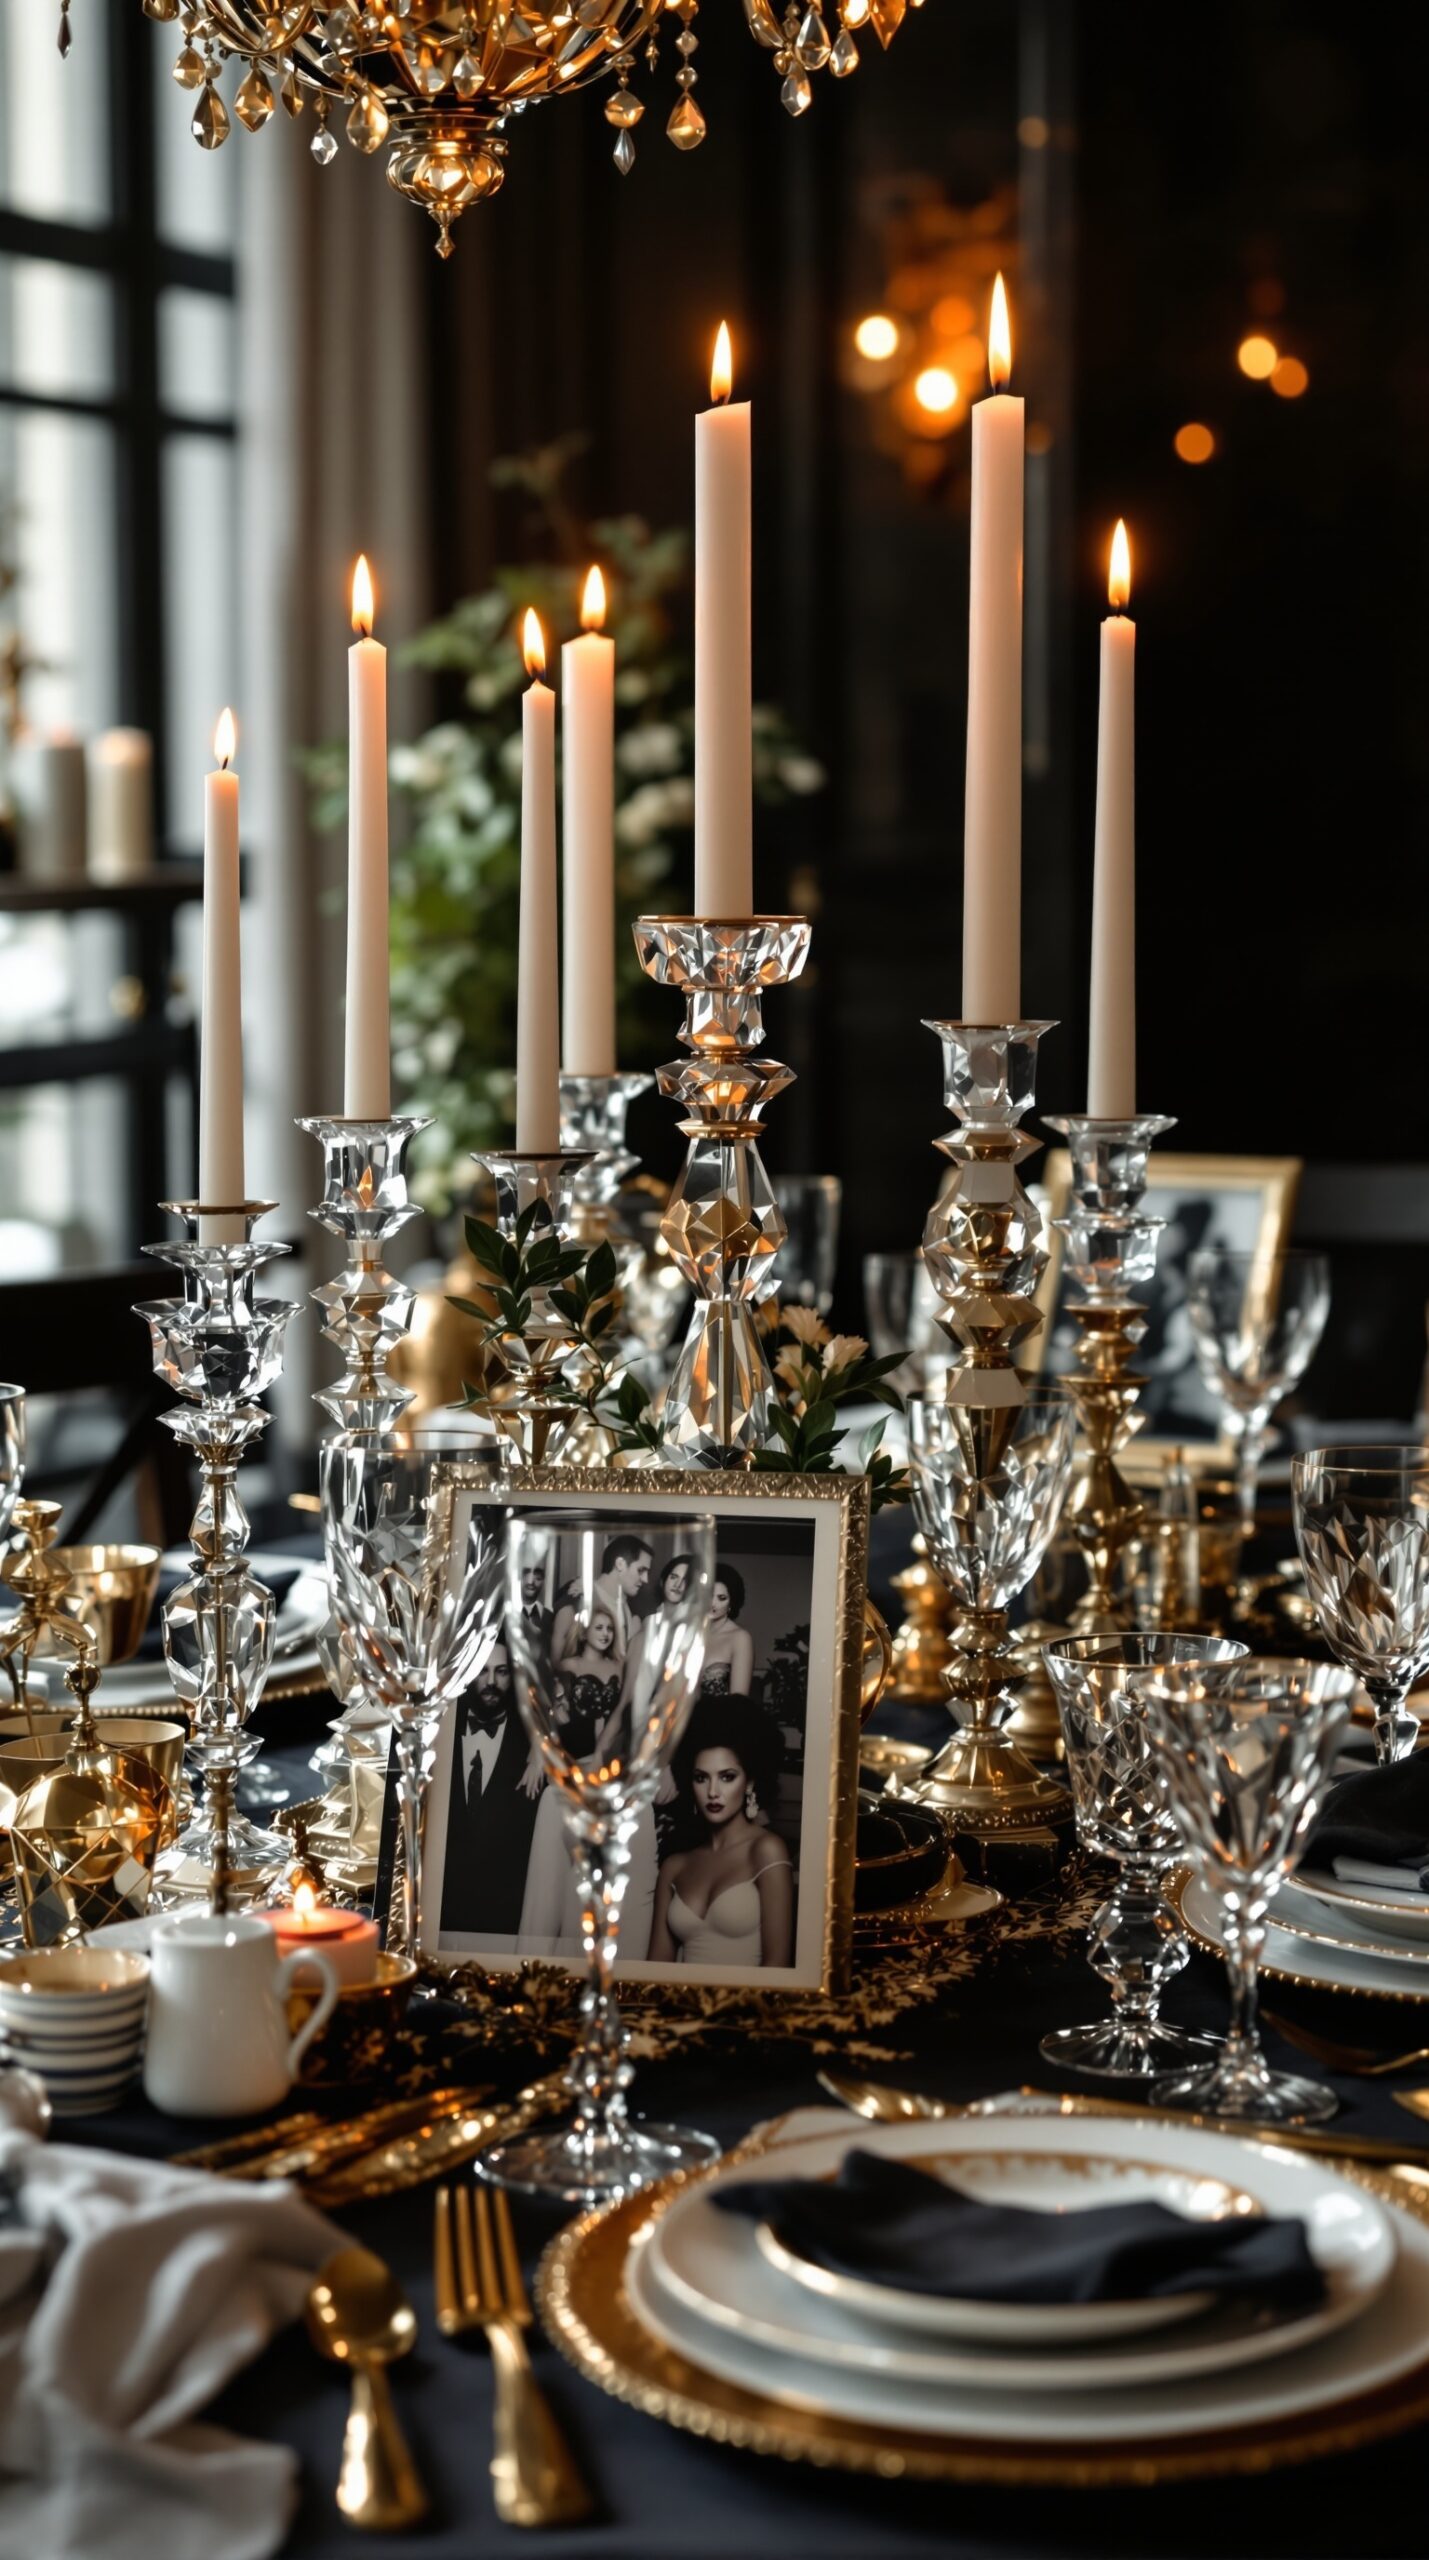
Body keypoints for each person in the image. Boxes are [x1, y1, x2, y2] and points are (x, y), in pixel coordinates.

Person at [516, 1623, 658, 1960]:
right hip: (571, 1775)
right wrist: (538, 1753)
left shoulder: (623, 1674)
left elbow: (625, 1721)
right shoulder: (566, 1670)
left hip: (614, 1778)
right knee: (550, 1892)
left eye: (611, 1627)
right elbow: (545, 1716)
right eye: (598, 1627)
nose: (606, 1633)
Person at [649, 1695, 793, 1970]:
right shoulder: (675, 1866)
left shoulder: (766, 1851)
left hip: (744, 2009)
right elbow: (654, 1970)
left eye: (727, 1777)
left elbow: (777, 1964)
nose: (713, 1792)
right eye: (701, 1778)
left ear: (749, 1782)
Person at [437, 1634, 541, 1941]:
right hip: (440, 1920)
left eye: (502, 1671)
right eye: (482, 1670)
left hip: (503, 1926)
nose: (491, 1681)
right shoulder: (437, 1732)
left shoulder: (531, 1747)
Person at [550, 1533, 652, 1677]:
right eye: (641, 1570)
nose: (645, 1579)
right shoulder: (577, 1597)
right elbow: (554, 1667)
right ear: (620, 1564)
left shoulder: (630, 1611)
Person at [697, 1562, 754, 1700]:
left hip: (722, 1719)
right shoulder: (692, 1634)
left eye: (721, 1598)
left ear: (731, 1603)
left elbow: (738, 1702)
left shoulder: (740, 1638)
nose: (712, 1603)